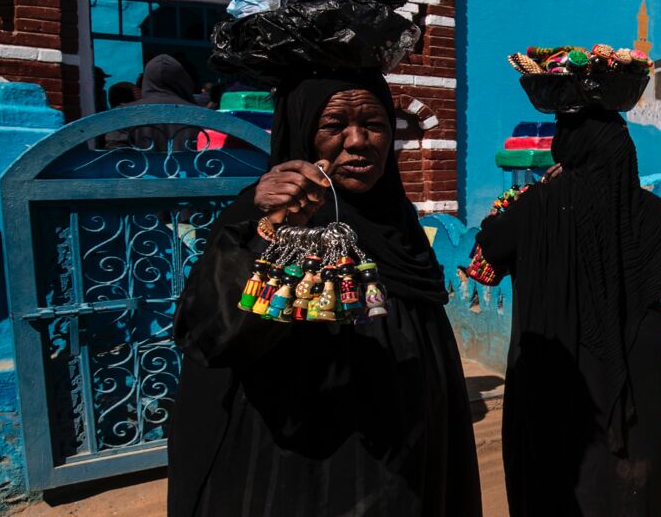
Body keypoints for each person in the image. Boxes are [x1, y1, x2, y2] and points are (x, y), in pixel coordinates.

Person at [168, 72, 482, 516]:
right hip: (303, 460)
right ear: (302, 133)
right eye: (334, 126)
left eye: (374, 124)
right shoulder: (258, 213)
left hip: (405, 456)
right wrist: (272, 227)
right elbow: (210, 335)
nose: (358, 141)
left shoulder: (398, 222)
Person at [474, 108, 661, 516]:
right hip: (635, 357)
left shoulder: (537, 205)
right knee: (631, 449)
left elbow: (488, 251)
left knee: (559, 455)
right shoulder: (653, 212)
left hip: (557, 355)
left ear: (568, 147)